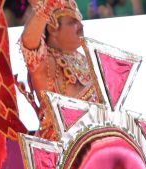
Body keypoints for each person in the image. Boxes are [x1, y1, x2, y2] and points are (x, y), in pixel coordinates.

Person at [20, 0, 98, 139]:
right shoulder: (46, 63)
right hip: (64, 151)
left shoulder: (85, 58)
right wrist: (45, 8)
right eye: (72, 21)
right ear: (52, 28)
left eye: (80, 20)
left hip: (96, 142)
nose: (81, 25)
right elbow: (28, 41)